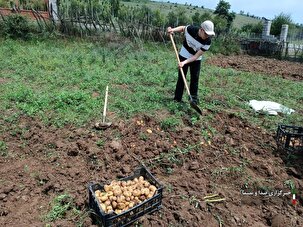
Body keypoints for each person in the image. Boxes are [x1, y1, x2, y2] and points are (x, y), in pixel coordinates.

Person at [167, 20, 215, 105]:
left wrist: (184, 62)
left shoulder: (208, 42)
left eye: (209, 35)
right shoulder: (191, 29)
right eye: (206, 34)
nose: (208, 36)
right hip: (184, 53)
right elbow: (182, 28)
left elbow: (196, 56)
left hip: (195, 59)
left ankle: (194, 100)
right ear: (201, 29)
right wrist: (172, 30)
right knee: (182, 77)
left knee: (195, 78)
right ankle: (177, 99)